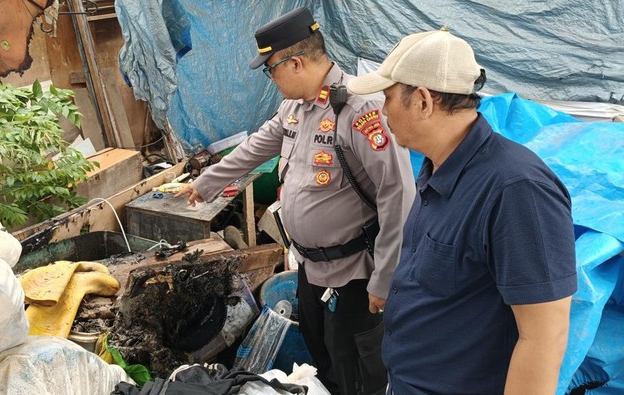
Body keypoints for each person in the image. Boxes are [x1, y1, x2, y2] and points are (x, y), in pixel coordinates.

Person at [174, 7, 415, 395]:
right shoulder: (295, 108)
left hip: (355, 275)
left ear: (296, 62)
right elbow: (254, 148)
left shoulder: (358, 109)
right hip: (309, 268)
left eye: (271, 70)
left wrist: (385, 279)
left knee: (358, 374)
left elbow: (398, 194)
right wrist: (204, 184)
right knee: (324, 361)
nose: (271, 80)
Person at [347, 28, 577, 394]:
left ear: (422, 101)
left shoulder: (516, 190)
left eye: (388, 97)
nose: (383, 110)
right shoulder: (436, 168)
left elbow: (544, 339)